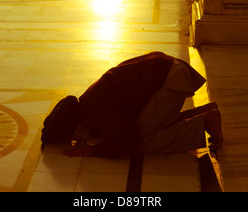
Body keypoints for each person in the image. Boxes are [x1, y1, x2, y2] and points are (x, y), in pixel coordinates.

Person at [41, 52, 223, 158]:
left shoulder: (96, 113)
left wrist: (93, 150)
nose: (78, 140)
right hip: (167, 72)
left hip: (170, 78)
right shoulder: (88, 104)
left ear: (77, 125)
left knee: (144, 142)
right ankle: (205, 112)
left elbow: (129, 139)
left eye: (74, 137)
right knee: (148, 126)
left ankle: (206, 120)